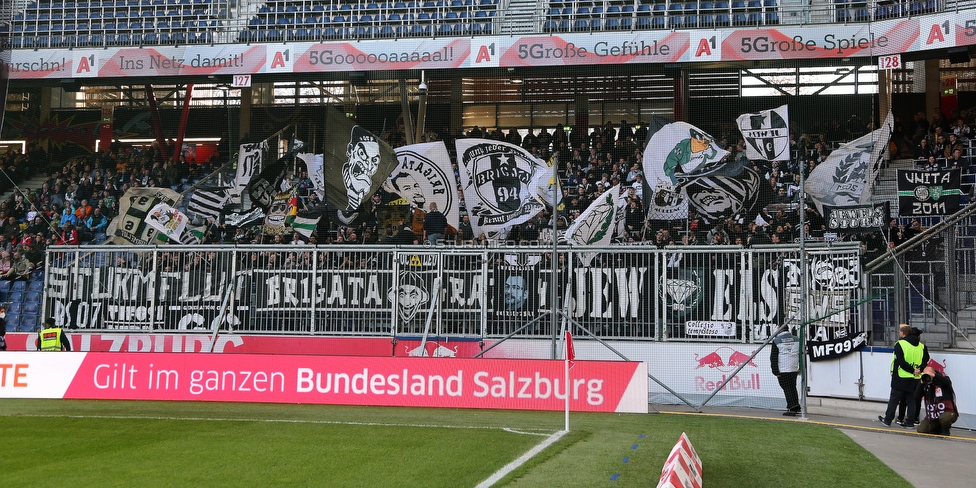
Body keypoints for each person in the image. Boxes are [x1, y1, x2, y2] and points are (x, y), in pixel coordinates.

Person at [879, 324, 928, 428]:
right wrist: (919, 370)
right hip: (915, 378)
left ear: (903, 333)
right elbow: (925, 360)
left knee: (894, 399)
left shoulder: (900, 344)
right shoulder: (922, 346)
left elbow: (901, 362)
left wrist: (912, 370)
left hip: (901, 376)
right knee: (911, 400)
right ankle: (910, 422)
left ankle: (888, 420)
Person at [915, 366, 958, 435]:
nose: (927, 376)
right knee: (921, 430)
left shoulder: (943, 380)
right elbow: (917, 396)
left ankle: (945, 429)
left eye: (929, 374)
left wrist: (934, 376)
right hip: (933, 415)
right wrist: (921, 383)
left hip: (948, 412)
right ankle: (937, 428)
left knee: (945, 418)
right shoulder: (926, 385)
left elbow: (947, 382)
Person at [770, 325, 801, 416]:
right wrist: (800, 367)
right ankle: (796, 406)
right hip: (794, 368)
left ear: (780, 330)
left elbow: (774, 357)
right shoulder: (797, 339)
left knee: (787, 388)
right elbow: (801, 354)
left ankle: (792, 408)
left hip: (783, 369)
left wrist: (775, 371)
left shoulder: (776, 341)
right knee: (792, 387)